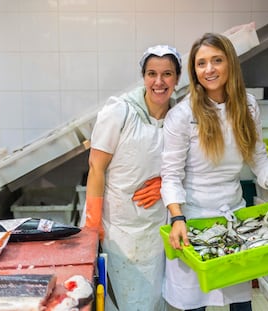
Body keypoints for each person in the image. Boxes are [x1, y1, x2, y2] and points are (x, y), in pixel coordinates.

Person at [160, 33, 268, 311]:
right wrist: (177, 217)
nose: (209, 69)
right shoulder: (182, 115)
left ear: (230, 63)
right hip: (193, 220)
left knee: (239, 302)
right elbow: (170, 175)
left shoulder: (248, 106)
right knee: (194, 302)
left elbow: (259, 159)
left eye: (217, 60)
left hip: (234, 218)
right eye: (201, 63)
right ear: (194, 71)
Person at [83, 45, 182, 311]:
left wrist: (164, 184)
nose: (159, 82)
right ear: (143, 76)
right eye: (152, 74)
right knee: (125, 300)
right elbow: (96, 167)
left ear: (177, 78)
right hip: (119, 229)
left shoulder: (180, 118)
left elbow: (185, 166)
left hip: (157, 227)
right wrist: (92, 225)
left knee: (155, 298)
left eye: (167, 74)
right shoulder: (120, 112)